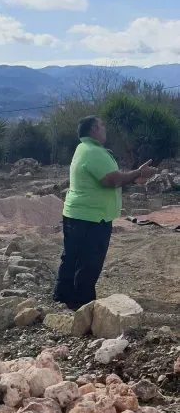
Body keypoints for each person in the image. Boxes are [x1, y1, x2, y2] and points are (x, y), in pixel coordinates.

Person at [54, 115, 157, 309]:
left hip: (77, 214)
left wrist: (132, 178)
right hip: (91, 217)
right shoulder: (94, 152)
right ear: (93, 129)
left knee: (72, 257)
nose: (104, 128)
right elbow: (111, 180)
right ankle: (82, 303)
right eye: (101, 125)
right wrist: (138, 173)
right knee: (89, 261)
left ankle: (62, 297)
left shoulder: (83, 148)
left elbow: (108, 180)